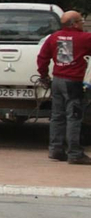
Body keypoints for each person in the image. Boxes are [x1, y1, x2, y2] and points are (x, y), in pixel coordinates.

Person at [35, 10, 91, 165]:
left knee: (57, 116)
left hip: (57, 80)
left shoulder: (54, 37)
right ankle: (75, 153)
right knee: (74, 117)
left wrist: (44, 75)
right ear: (74, 24)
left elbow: (42, 57)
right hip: (73, 82)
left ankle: (56, 149)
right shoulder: (85, 38)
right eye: (81, 21)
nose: (82, 24)